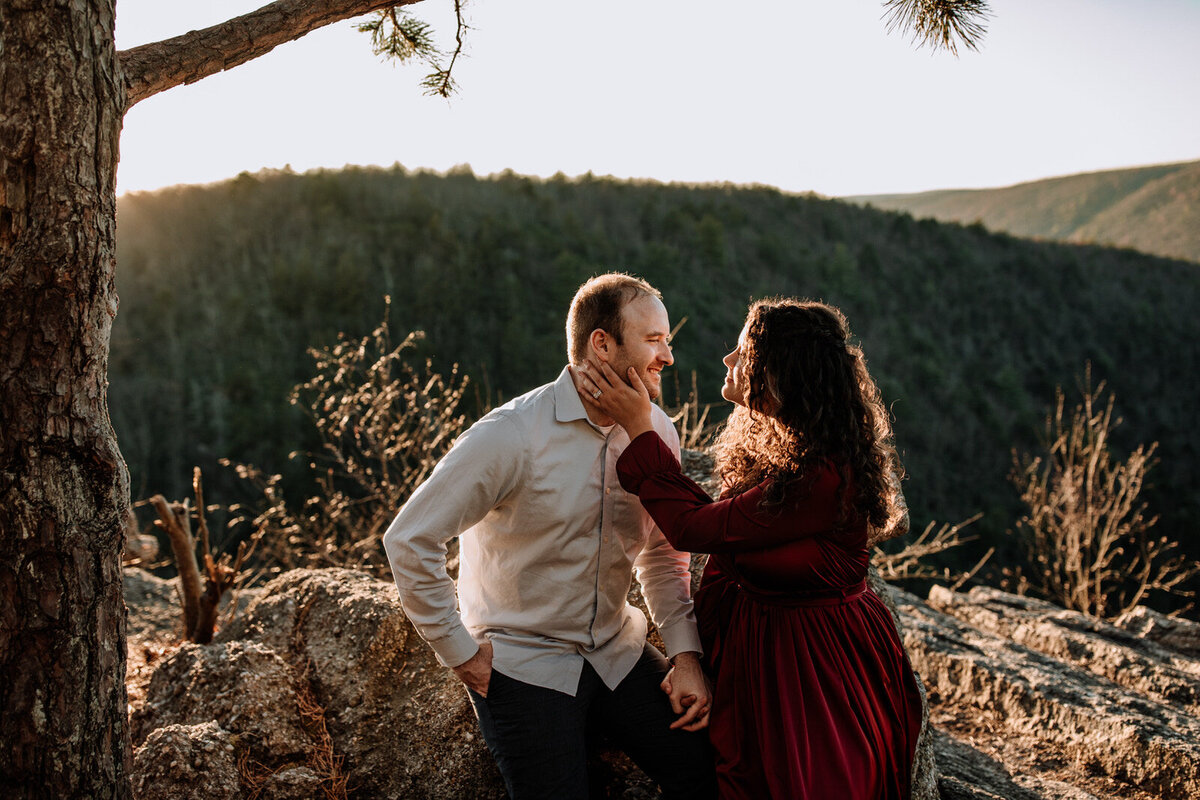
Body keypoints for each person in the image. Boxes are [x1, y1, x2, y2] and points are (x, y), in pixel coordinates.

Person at [571, 298, 924, 800]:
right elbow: (723, 526)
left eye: (742, 353)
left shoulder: (821, 474)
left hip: (816, 665)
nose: (728, 361)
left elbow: (695, 529)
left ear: (779, 373)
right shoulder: (775, 438)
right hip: (760, 650)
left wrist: (640, 428)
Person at [382, 273, 717, 800]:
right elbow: (410, 538)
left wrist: (685, 655)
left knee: (711, 772)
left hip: (617, 650)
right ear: (601, 344)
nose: (667, 358)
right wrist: (460, 652)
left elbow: (661, 554)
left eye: (667, 341)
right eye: (654, 341)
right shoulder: (511, 434)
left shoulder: (659, 431)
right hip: (523, 663)